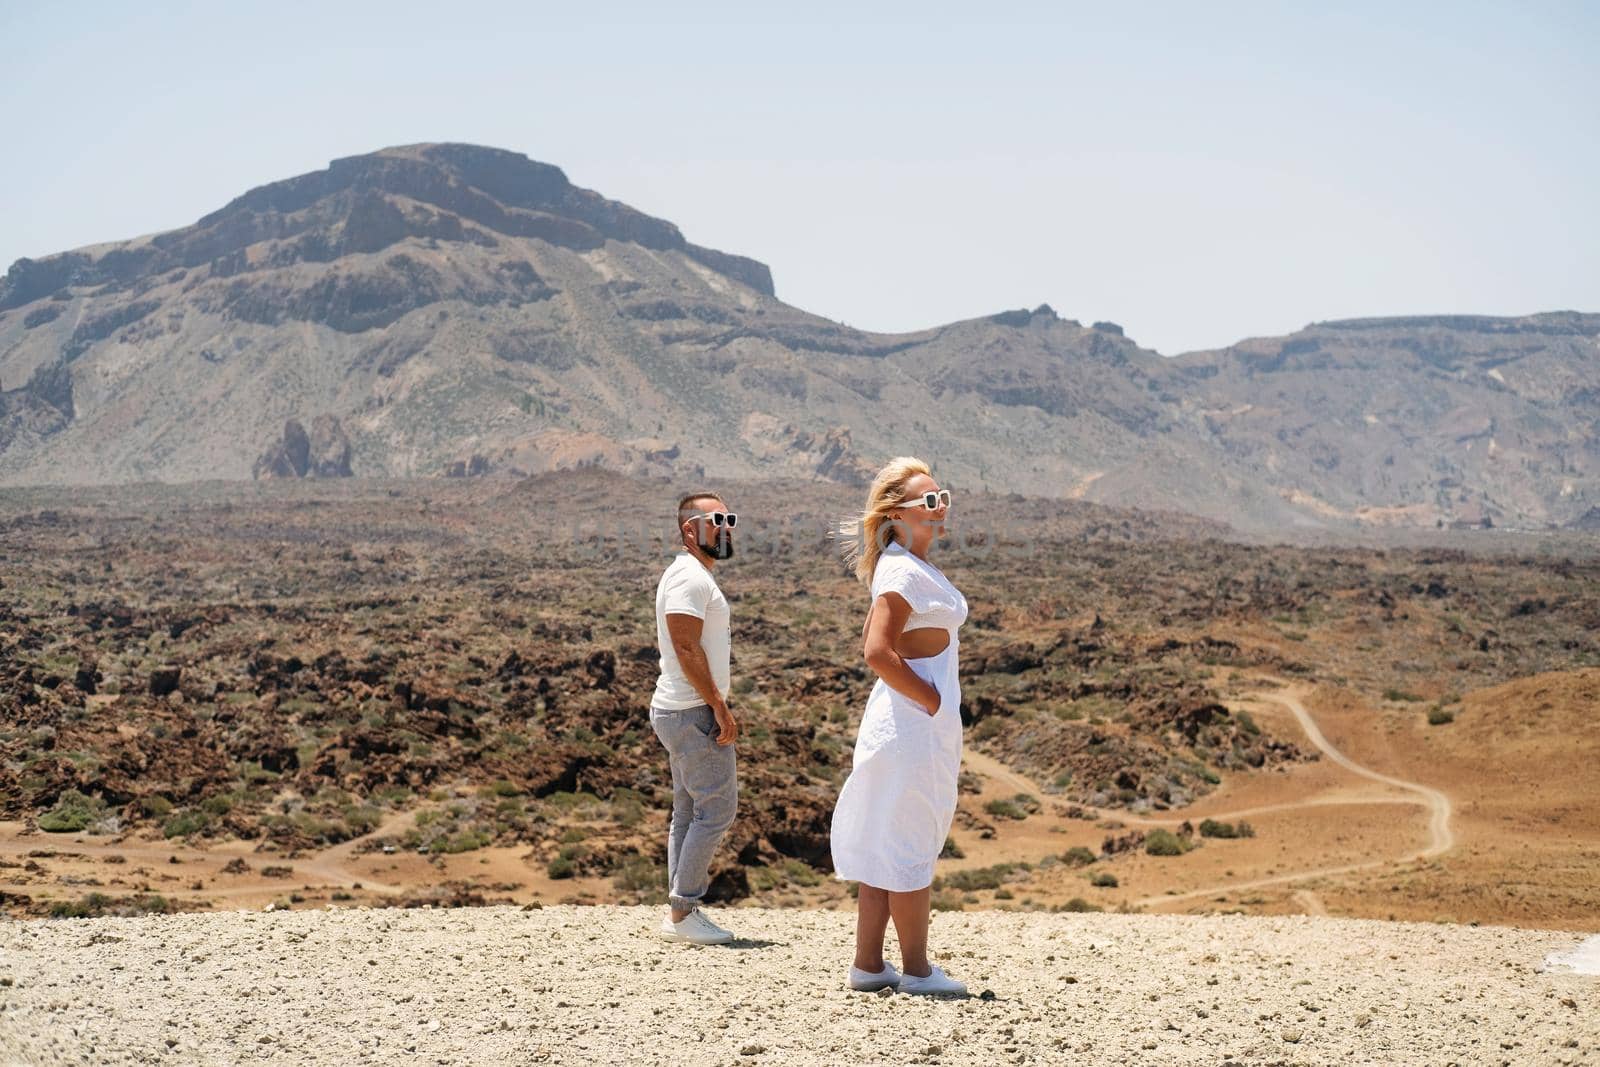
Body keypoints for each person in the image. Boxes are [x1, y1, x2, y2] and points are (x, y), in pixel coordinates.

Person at [830, 457, 969, 995]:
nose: (941, 510)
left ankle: (868, 964)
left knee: (888, 838)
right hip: (912, 727)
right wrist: (933, 702)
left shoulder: (907, 564)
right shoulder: (900, 569)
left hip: (907, 725)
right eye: (929, 502)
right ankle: (916, 970)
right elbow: (876, 651)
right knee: (910, 840)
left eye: (944, 498)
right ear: (897, 514)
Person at [649, 490, 741, 945]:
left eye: (729, 519)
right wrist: (719, 706)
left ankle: (680, 910)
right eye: (716, 520)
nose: (725, 528)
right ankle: (683, 913)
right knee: (717, 811)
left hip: (680, 708)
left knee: (687, 810)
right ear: (690, 530)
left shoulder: (692, 574)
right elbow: (686, 648)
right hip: (691, 710)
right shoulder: (689, 578)